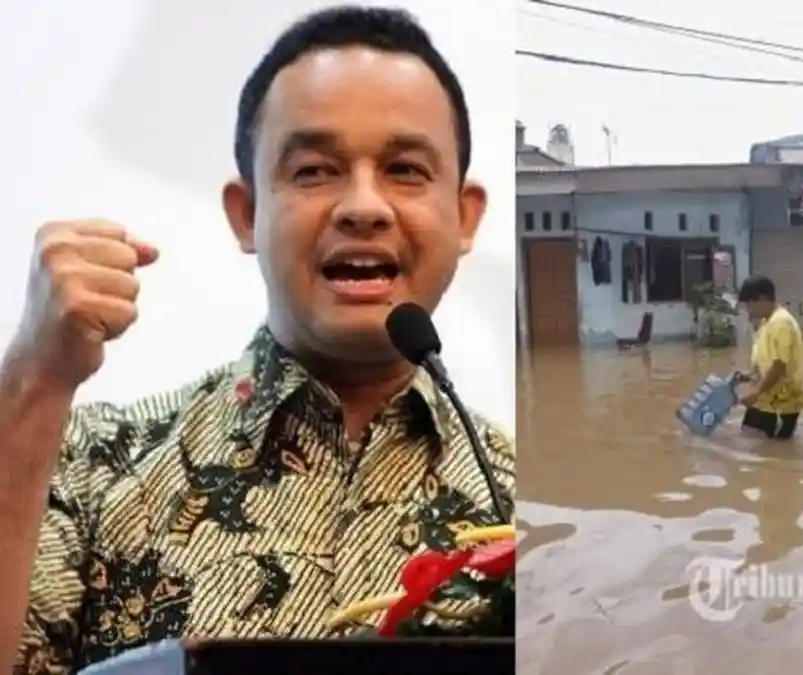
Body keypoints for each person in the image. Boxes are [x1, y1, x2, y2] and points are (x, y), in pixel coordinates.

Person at [0, 7, 514, 672]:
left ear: (464, 215)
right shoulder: (87, 465)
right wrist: (34, 381)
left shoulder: (519, 502)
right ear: (246, 215)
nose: (363, 205)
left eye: (406, 170)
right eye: (313, 170)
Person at [734, 275, 803, 440]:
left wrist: (756, 393)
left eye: (750, 305)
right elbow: (766, 361)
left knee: (773, 450)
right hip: (765, 400)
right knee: (747, 435)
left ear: (763, 299)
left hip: (780, 404)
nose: (749, 310)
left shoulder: (781, 323)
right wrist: (748, 376)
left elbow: (779, 364)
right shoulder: (767, 322)